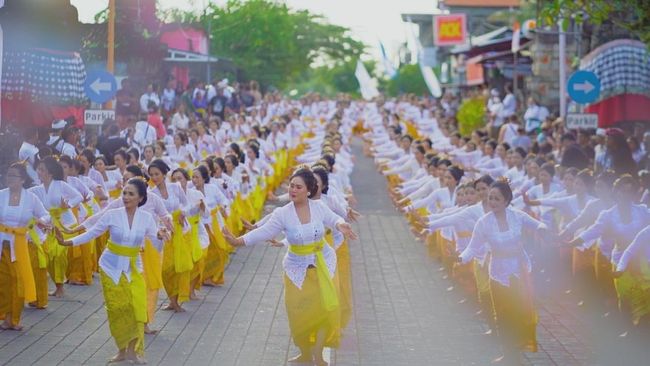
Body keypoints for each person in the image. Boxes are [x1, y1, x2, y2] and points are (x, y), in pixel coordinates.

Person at [222, 168, 356, 366]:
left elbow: (333, 219)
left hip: (323, 264)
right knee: (298, 312)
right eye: (291, 186)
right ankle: (304, 352)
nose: (293, 190)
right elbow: (264, 232)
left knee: (324, 309)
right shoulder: (282, 213)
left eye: (298, 187)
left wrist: (341, 224)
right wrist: (237, 241)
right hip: (296, 270)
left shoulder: (318, 207)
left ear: (309, 190)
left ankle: (318, 354)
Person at [55, 178, 168, 364]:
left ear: (140, 198)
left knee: (136, 308)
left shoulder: (147, 218)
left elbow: (155, 242)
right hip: (110, 266)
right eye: (124, 193)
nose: (126, 197)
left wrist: (161, 236)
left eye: (131, 194)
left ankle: (132, 351)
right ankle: (122, 350)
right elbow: (93, 232)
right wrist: (68, 242)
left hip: (133, 267)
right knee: (117, 308)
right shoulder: (112, 215)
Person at [459, 179, 551, 363]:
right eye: (490, 198)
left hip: (519, 270)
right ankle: (508, 353)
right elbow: (472, 247)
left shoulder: (517, 215)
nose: (492, 202)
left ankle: (516, 350)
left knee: (519, 311)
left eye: (497, 199)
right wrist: (462, 258)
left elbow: (539, 224)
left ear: (507, 201)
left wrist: (542, 229)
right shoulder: (484, 222)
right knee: (501, 314)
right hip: (497, 272)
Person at [0, 163, 50, 330]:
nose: (10, 179)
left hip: (20, 245)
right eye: (8, 175)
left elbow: (45, 214)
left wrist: (41, 221)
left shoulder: (30, 198)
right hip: (2, 244)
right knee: (4, 282)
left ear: (22, 179)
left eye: (14, 176)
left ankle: (15, 318)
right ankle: (6, 317)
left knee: (18, 281)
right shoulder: (2, 195)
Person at [29, 157, 83, 299]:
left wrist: (68, 205)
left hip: (65, 224)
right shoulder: (36, 190)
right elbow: (24, 195)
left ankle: (60, 286)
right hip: (49, 226)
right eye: (38, 169)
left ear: (50, 173)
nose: (39, 172)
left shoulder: (60, 185)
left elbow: (79, 196)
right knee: (50, 256)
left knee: (58, 253)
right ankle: (58, 285)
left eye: (42, 170)